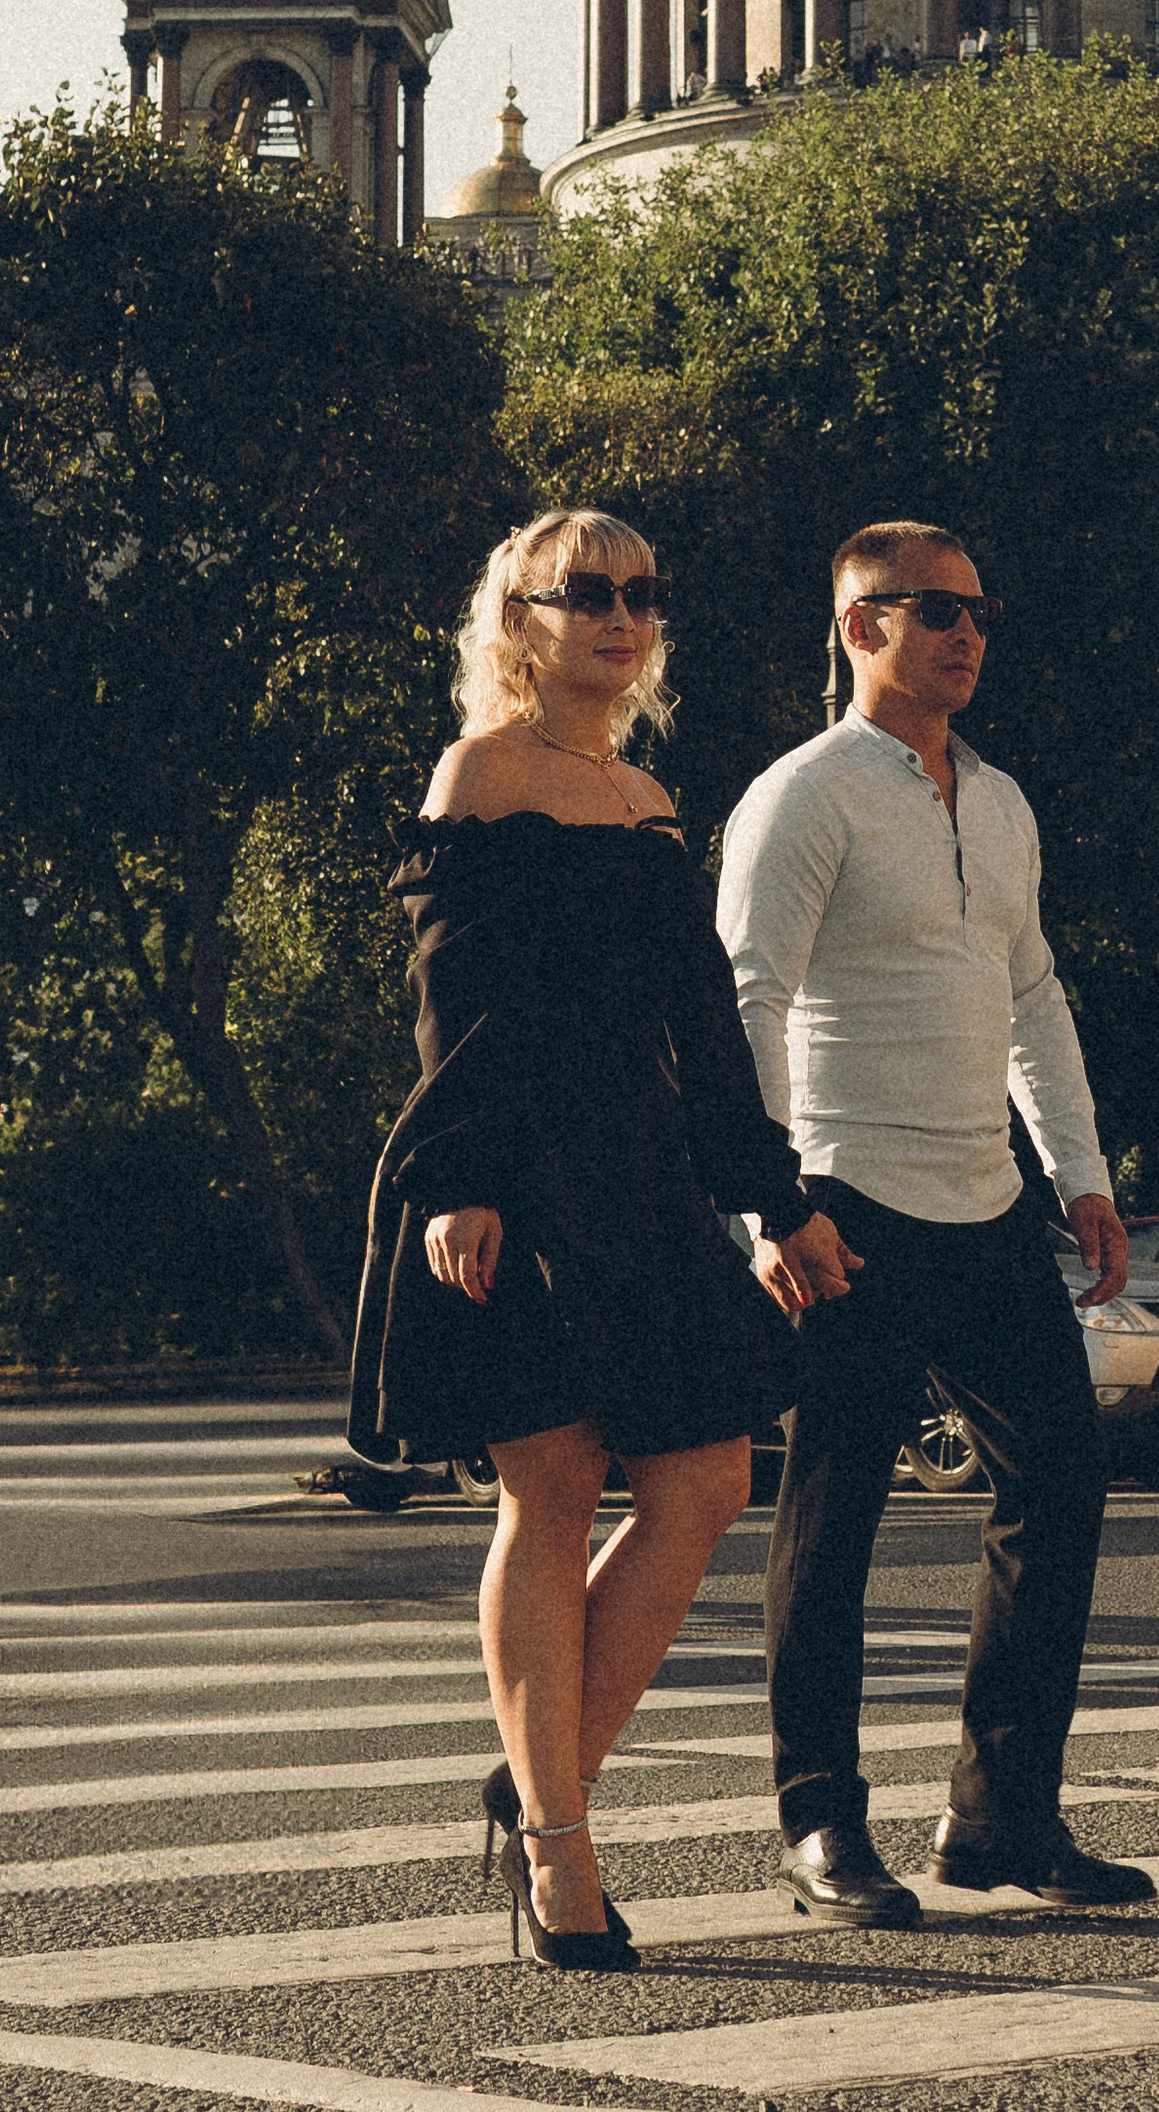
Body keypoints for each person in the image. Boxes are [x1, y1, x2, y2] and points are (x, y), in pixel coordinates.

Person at [346, 507, 852, 1969]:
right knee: (555, 1484)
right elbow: (453, 1000)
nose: (622, 616)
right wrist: (462, 1180)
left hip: (643, 1172)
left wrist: (775, 1199)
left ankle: (534, 1783)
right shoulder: (483, 774)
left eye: (642, 594)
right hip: (513, 1166)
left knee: (705, 1476)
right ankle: (563, 1852)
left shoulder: (645, 801)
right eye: (589, 593)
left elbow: (701, 1027)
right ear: (524, 618)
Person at [717, 518, 1156, 1927]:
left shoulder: (1003, 802)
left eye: (979, 613)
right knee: (833, 1514)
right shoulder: (804, 796)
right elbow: (746, 1000)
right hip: (845, 1202)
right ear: (862, 625)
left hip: (986, 1200)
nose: (968, 635)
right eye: (935, 611)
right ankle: (820, 1826)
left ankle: (1003, 1819)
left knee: (1061, 1477)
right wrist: (771, 1206)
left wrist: (1078, 1171)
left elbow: (1031, 994)